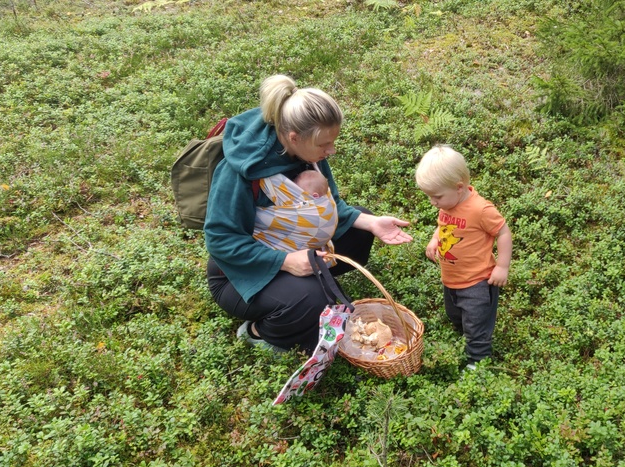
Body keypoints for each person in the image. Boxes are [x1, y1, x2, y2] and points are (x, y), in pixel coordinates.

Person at [205, 74, 413, 354]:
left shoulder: (307, 153)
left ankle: (304, 288)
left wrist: (372, 223)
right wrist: (286, 262)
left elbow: (329, 204)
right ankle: (259, 330)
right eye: (324, 144)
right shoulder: (239, 173)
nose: (332, 150)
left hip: (294, 244)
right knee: (313, 302)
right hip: (237, 275)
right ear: (293, 137)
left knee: (359, 228)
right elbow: (220, 240)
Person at [415, 145, 512, 371]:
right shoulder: (448, 204)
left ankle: (478, 361)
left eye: (436, 196)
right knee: (455, 314)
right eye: (429, 196)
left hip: (478, 281)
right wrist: (434, 239)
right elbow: (443, 226)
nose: (432, 202)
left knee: (476, 322)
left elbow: (503, 232)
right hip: (451, 278)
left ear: (459, 187)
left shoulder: (481, 209)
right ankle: (463, 335)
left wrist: (502, 266)